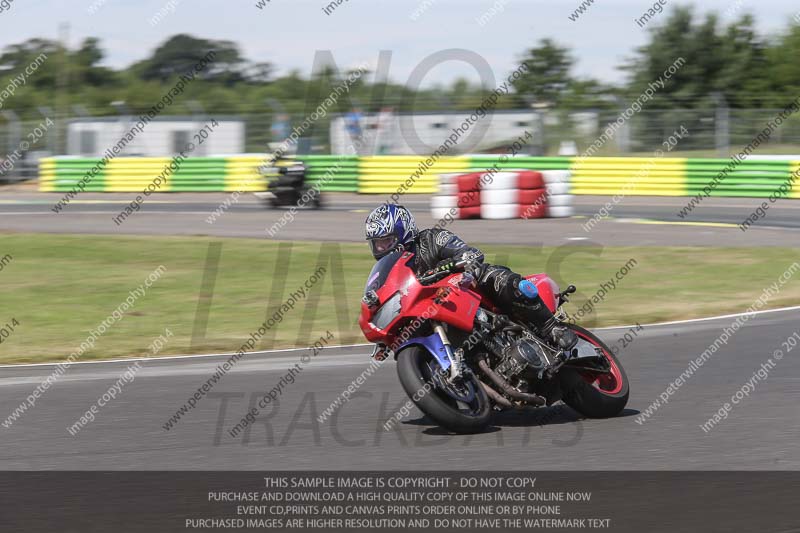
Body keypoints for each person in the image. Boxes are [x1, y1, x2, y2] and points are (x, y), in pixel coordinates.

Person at [364, 204, 577, 352]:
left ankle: (552, 327)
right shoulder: (390, 269)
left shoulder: (431, 239)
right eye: (377, 244)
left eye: (386, 241)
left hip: (466, 287)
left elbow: (469, 253)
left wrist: (458, 262)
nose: (381, 248)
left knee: (493, 277)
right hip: (432, 309)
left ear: (404, 233)